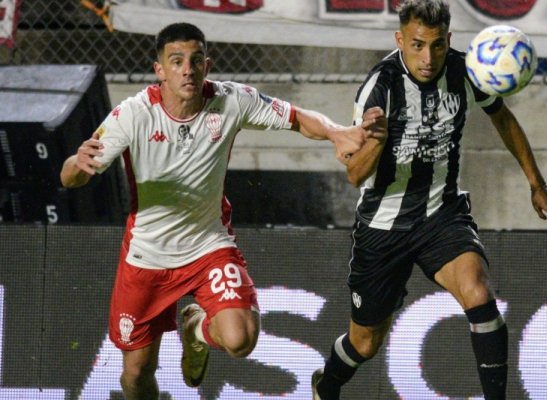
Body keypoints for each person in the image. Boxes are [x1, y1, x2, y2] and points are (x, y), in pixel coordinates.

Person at [60, 22, 382, 399]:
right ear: (159, 70)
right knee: (136, 374)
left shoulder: (230, 100)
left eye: (196, 60)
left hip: (207, 247)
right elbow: (71, 177)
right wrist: (75, 166)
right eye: (176, 61)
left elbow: (296, 117)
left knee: (240, 337)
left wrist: (336, 132)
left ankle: (196, 330)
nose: (187, 69)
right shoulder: (133, 114)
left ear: (207, 65)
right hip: (146, 259)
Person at [311, 1, 547, 399]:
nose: (427, 58)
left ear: (449, 40)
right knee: (364, 342)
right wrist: (377, 139)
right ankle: (325, 387)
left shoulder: (465, 70)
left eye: (436, 46)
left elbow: (501, 116)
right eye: (417, 46)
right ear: (400, 41)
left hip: (440, 213)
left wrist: (536, 182)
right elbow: (355, 174)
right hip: (384, 226)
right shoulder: (381, 87)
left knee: (479, 294)